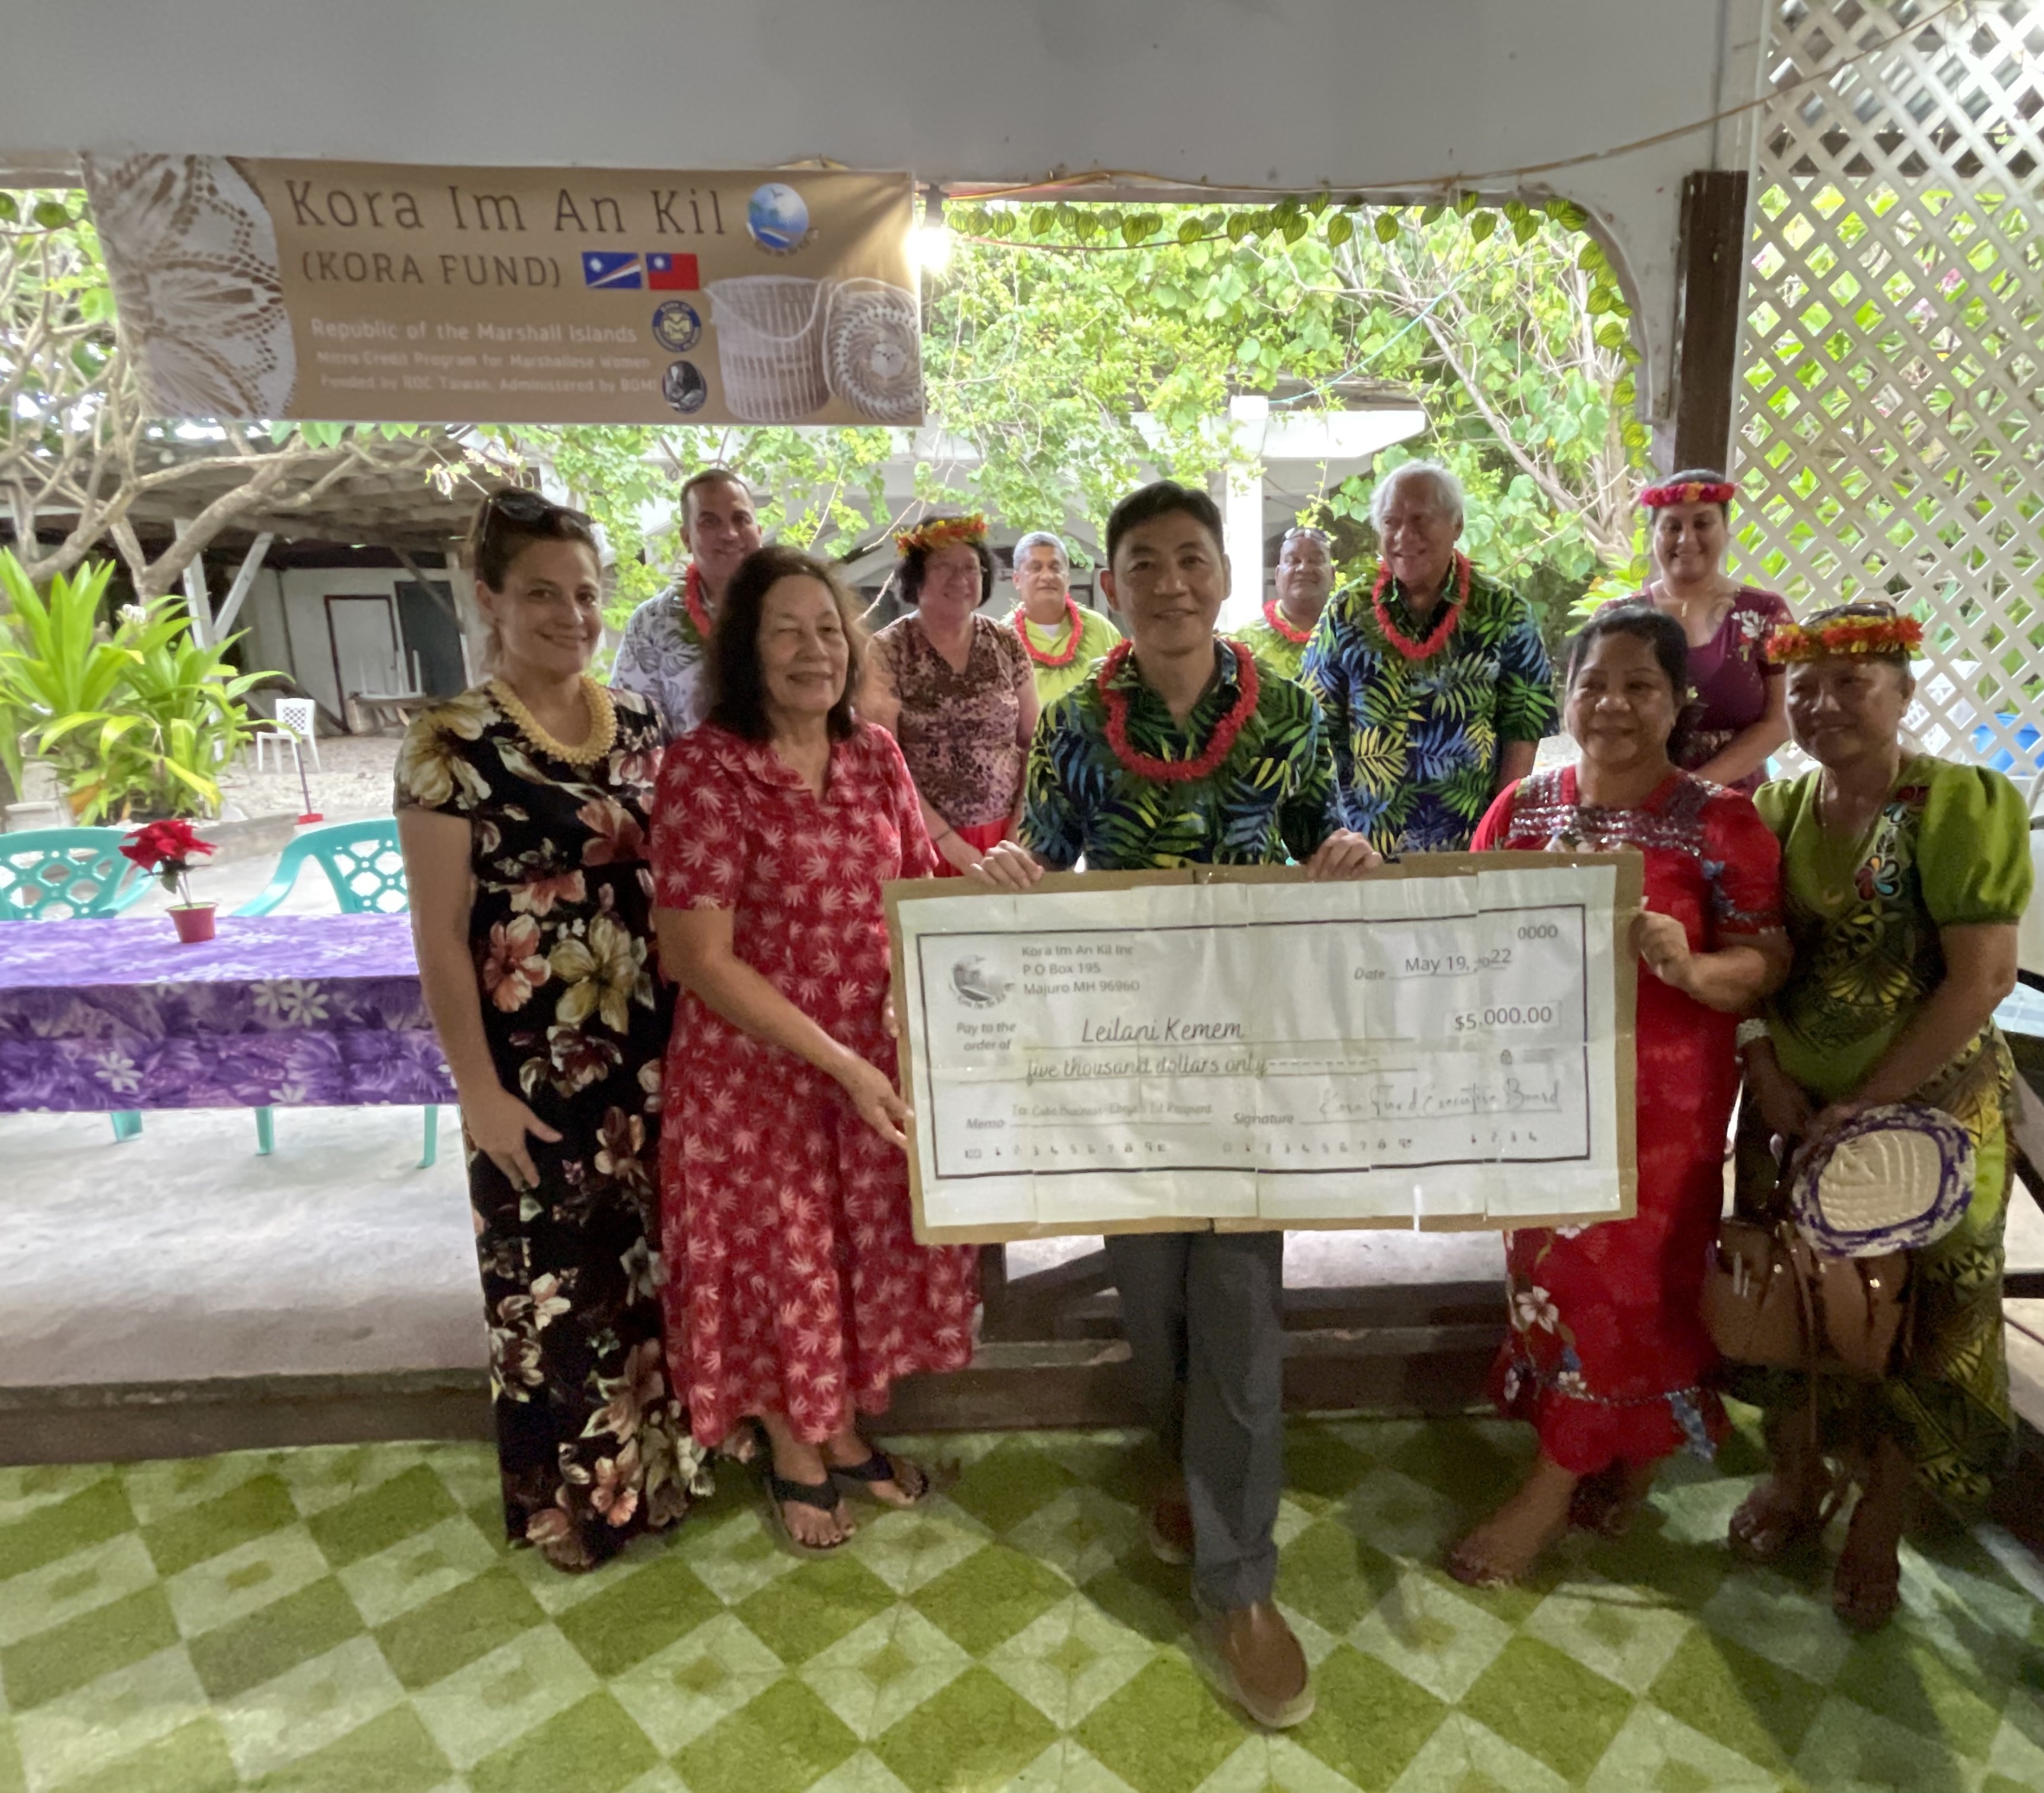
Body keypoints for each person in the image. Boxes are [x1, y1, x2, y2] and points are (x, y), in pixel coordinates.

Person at [972, 480, 1381, 1730]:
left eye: (1189, 559)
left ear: (1222, 577)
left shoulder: (1295, 711)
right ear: (1109, 587)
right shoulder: (1078, 720)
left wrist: (1354, 849)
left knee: (1242, 1303)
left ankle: (1241, 1582)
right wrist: (1012, 870)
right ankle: (1190, 1466)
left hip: (1254, 1060)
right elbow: (1043, 847)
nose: (1167, 582)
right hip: (1128, 1065)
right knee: (1151, 1297)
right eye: (1140, 562)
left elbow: (1339, 831)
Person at [1446, 604, 1790, 1585]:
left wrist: (1688, 965)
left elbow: (1765, 963)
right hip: (1533, 1099)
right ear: (1567, 695)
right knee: (1546, 1280)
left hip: (1659, 1116)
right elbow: (1461, 935)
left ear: (1679, 701)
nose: (1614, 704)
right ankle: (1619, 1458)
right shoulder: (1521, 809)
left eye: (1641, 685)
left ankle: (1544, 1496)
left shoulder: (1721, 822)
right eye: (1595, 682)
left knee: (1626, 1289)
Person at [395, 487, 706, 1571]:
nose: (569, 614)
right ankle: (568, 1502)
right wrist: (475, 1088)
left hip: (653, 1051)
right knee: (549, 1284)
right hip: (531, 1061)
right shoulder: (449, 741)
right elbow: (438, 934)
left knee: (649, 1271)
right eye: (541, 593)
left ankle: (657, 1474)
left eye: (584, 593)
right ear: (489, 599)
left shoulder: (644, 721)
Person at [648, 544, 977, 1552]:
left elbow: (920, 884)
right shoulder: (707, 767)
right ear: (744, 648)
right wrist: (839, 1058)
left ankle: (840, 1429)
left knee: (839, 1257)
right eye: (785, 628)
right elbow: (696, 956)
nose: (812, 649)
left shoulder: (875, 755)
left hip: (864, 1073)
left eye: (828, 628)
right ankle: (794, 1443)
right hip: (758, 1075)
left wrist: (1001, 888)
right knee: (780, 1259)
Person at [1726, 600, 2031, 1629]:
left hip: (1933, 1115)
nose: (1821, 706)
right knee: (1791, 1300)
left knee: (1913, 1318)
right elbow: (1755, 953)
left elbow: (1982, 977)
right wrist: (1764, 1063)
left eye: (1850, 683)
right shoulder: (1776, 814)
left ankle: (1880, 1518)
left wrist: (1869, 1098)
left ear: (1903, 692)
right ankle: (1797, 1473)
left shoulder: (1955, 804)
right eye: (1803, 688)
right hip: (1789, 1108)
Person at [1304, 462, 1558, 853]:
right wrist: (1332, 837)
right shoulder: (1346, 612)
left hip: (1469, 849)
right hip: (1364, 853)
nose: (1405, 536)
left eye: (1421, 520)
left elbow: (1522, 733)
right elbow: (1316, 732)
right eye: (1391, 522)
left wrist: (1497, 839)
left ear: (1456, 525)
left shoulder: (1505, 612)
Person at [862, 513, 1039, 875]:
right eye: (944, 566)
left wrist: (1016, 832)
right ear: (917, 577)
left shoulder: (1006, 642)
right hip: (918, 837)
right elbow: (885, 766)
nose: (961, 579)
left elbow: (1034, 745)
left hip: (1009, 837)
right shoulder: (887, 650)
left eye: (971, 568)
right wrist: (947, 844)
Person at [1599, 471, 1793, 792]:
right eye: (1673, 526)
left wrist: (1695, 788)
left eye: (1702, 524)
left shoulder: (1765, 614)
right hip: (1636, 796)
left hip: (1736, 802)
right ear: (1654, 534)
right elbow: (1594, 711)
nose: (1687, 539)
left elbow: (1779, 720)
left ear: (1726, 530)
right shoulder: (1616, 619)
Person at [612, 467, 764, 742]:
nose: (729, 534)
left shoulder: (794, 609)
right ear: (686, 539)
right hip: (686, 781)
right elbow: (632, 729)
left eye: (741, 519)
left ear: (759, 531)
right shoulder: (652, 623)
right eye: (710, 522)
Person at [1009, 529, 1122, 704]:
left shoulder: (1100, 629)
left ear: (1068, 579)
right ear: (1016, 580)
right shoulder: (1000, 641)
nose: (1047, 576)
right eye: (1036, 568)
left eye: (1055, 568)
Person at [1231, 524, 1333, 679]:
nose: (1304, 568)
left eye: (1315, 560)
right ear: (1278, 575)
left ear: (1332, 575)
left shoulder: (1355, 636)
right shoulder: (1243, 644)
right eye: (1293, 561)